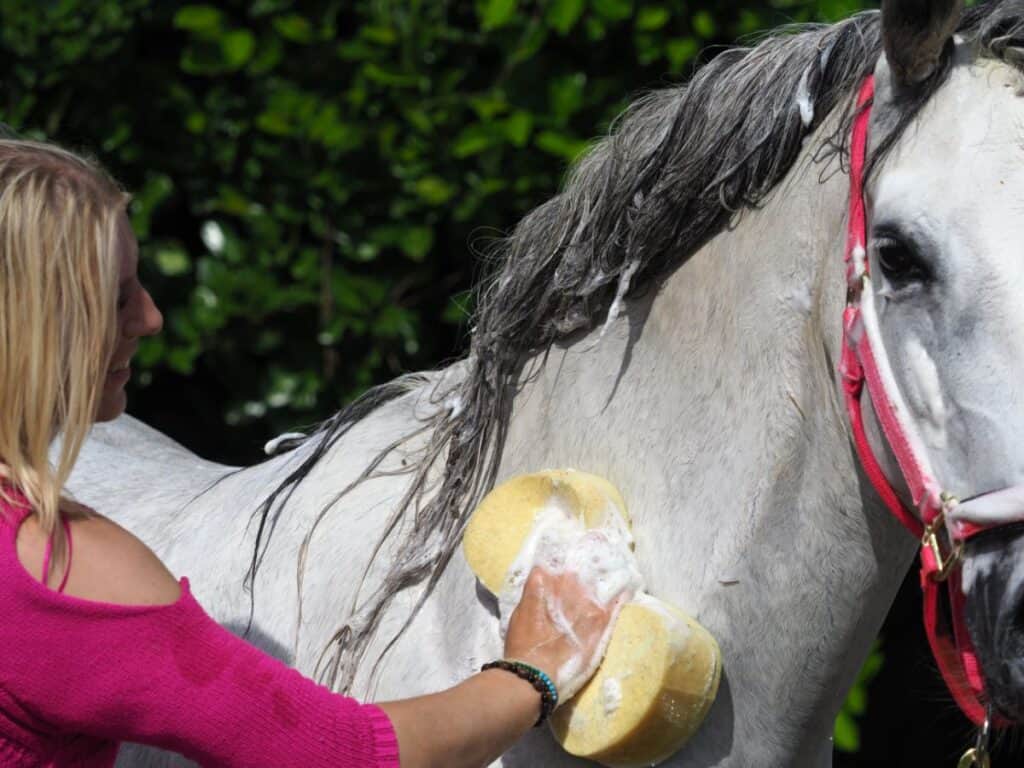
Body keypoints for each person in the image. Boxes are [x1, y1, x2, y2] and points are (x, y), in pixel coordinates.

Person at [0, 139, 627, 767]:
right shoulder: (62, 573)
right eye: (115, 298)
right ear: (31, 323)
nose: (152, 317)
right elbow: (340, 755)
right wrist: (532, 672)